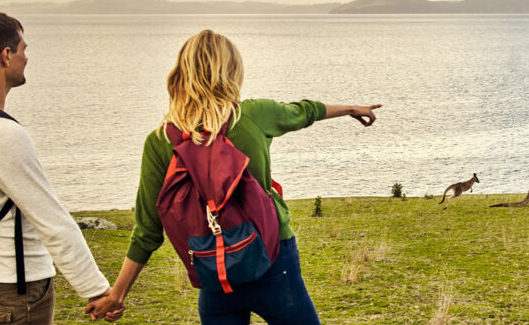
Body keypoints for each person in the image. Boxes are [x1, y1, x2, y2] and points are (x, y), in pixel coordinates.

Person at [90, 29, 380, 324]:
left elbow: (147, 230)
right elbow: (304, 112)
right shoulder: (253, 114)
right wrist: (350, 108)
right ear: (232, 71)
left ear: (181, 73)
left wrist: (118, 294)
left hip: (214, 269)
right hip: (274, 258)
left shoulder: (161, 140)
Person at [0, 10, 112, 323]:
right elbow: (52, 221)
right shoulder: (1, 135)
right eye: (23, 49)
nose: (26, 57)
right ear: (6, 55)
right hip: (15, 292)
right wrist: (96, 291)